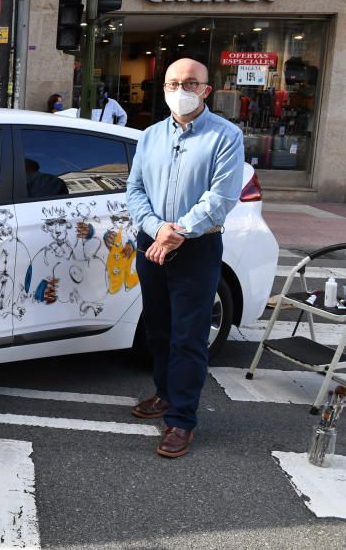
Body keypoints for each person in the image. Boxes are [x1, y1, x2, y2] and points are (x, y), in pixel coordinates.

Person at [125, 58, 243, 459]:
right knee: (157, 330)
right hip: (151, 243)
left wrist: (177, 233)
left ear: (206, 90)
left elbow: (222, 197)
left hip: (196, 249)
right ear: (164, 89)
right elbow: (135, 189)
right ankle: (163, 394)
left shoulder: (226, 136)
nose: (182, 89)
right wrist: (157, 228)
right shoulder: (150, 136)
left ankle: (182, 420)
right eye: (174, 82)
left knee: (188, 338)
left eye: (191, 83)